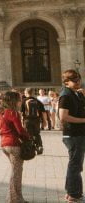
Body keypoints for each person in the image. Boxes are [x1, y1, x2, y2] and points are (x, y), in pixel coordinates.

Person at [0, 90, 31, 203]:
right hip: (14, 144)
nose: (21, 102)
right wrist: (28, 137)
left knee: (14, 171)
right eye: (19, 100)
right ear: (14, 101)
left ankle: (14, 198)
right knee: (16, 173)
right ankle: (15, 199)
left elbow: (0, 129)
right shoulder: (13, 113)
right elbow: (20, 130)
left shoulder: (1, 113)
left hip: (4, 144)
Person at [59, 69, 85, 203]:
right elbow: (63, 117)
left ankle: (73, 193)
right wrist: (83, 120)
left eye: (78, 79)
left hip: (78, 134)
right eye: (74, 80)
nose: (78, 82)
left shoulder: (75, 93)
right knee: (75, 165)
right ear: (66, 82)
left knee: (75, 165)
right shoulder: (66, 95)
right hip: (73, 135)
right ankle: (74, 195)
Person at [21, 88, 44, 155]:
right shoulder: (37, 101)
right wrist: (44, 121)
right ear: (33, 93)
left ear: (26, 93)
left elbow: (21, 113)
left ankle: (30, 149)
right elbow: (42, 112)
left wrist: (21, 121)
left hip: (27, 120)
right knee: (37, 134)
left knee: (28, 135)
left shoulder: (24, 101)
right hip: (37, 120)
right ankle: (39, 146)